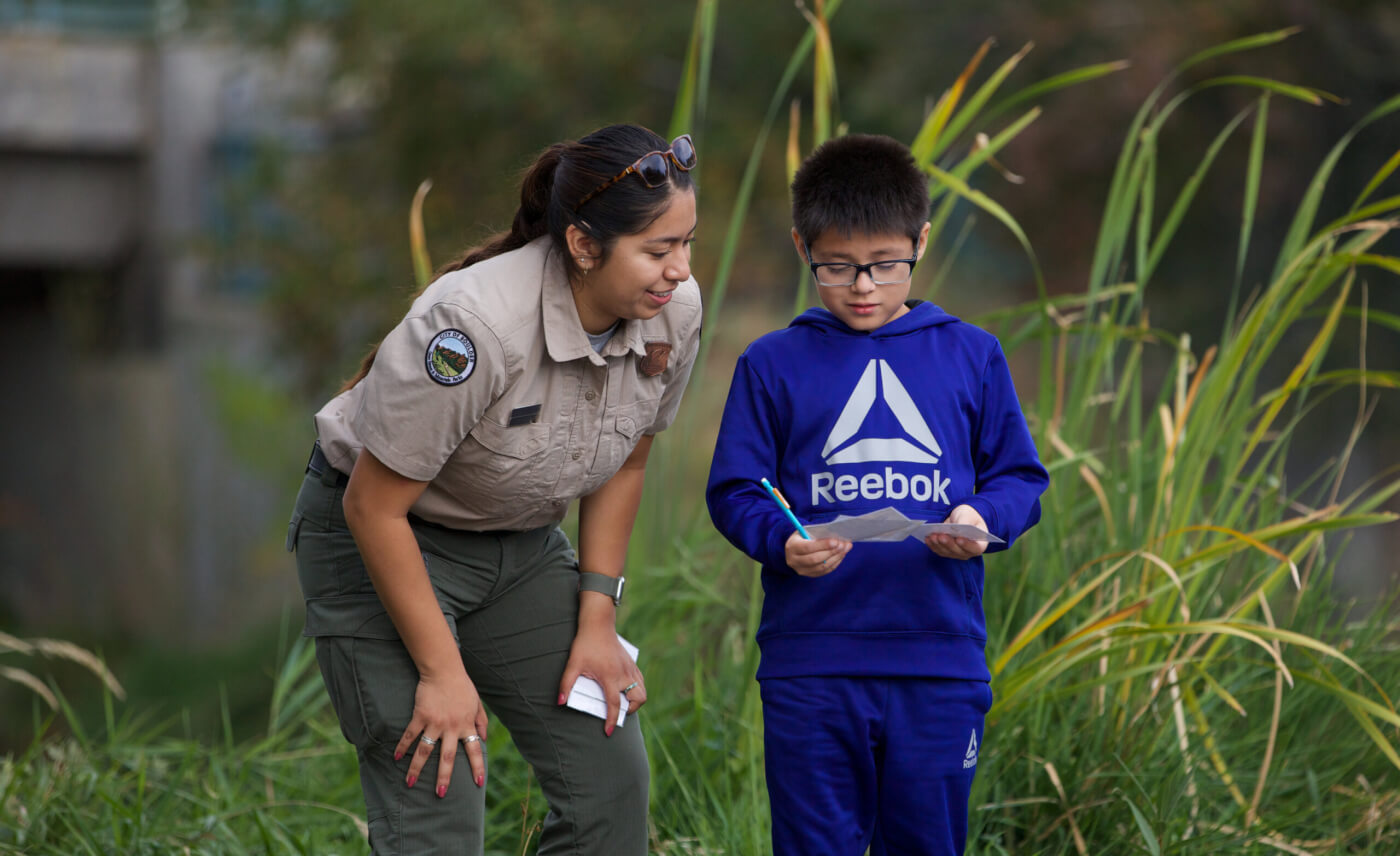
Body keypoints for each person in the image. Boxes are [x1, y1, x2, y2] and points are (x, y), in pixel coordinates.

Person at [286, 123, 701, 855]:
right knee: (440, 788)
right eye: (658, 250)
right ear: (582, 245)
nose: (679, 270)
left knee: (610, 780)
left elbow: (628, 463)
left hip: (518, 548)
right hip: (384, 541)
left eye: (686, 243)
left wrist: (598, 618)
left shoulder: (673, 311)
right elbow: (372, 506)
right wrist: (442, 673)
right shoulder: (474, 327)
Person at [705, 133, 1048, 856]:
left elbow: (1021, 478)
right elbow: (737, 489)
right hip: (812, 663)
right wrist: (783, 540)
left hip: (939, 661)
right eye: (839, 267)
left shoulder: (971, 354)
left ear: (920, 243)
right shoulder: (773, 363)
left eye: (885, 265)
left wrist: (980, 517)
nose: (863, 286)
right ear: (803, 247)